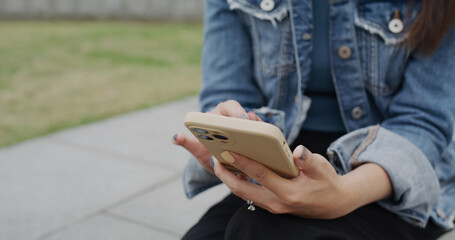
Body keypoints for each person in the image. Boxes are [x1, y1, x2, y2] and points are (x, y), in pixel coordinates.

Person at [173, 0, 455, 239]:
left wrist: (343, 195)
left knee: (257, 229)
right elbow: (227, 92)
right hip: (286, 158)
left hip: (392, 171)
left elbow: (423, 122)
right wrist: (227, 139)